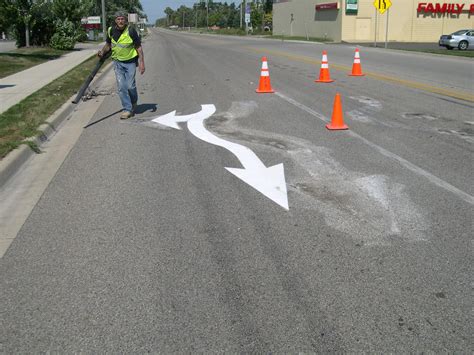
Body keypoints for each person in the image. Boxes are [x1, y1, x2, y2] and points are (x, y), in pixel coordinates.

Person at [98, 11, 145, 119]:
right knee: (121, 87)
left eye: (122, 19)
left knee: (130, 86)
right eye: (118, 19)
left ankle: (134, 102)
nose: (120, 21)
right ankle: (127, 109)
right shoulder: (111, 30)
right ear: (115, 20)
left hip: (130, 62)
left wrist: (142, 63)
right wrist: (102, 51)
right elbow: (108, 44)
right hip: (117, 62)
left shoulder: (131, 31)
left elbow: (138, 47)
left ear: (125, 20)